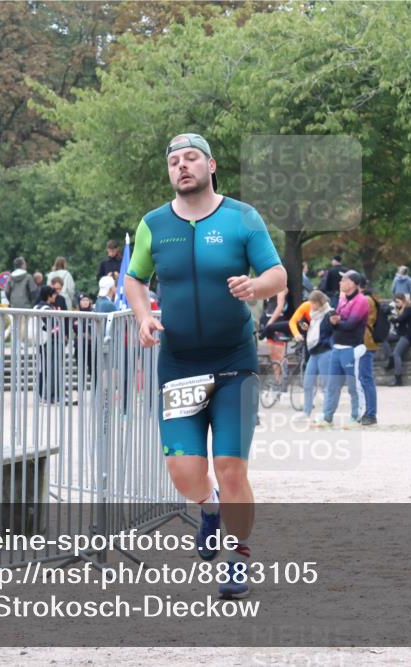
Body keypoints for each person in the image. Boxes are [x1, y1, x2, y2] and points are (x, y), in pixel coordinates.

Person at [124, 132, 286, 600]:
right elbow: (135, 279)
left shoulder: (242, 217)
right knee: (184, 472)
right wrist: (143, 316)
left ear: (211, 165)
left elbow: (277, 274)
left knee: (231, 467)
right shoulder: (154, 223)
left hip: (234, 361)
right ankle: (208, 507)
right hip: (180, 364)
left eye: (191, 157)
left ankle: (238, 559)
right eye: (174, 160)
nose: (182, 166)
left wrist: (255, 287)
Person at [319, 270, 369, 427]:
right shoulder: (342, 300)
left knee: (354, 386)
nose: (340, 283)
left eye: (344, 280)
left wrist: (337, 322)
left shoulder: (361, 301)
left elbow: (351, 324)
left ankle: (356, 417)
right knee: (332, 385)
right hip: (337, 347)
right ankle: (327, 417)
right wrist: (335, 321)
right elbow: (336, 322)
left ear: (353, 283)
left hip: (351, 348)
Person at [288, 290, 333, 420]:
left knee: (326, 384)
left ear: (320, 302)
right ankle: (306, 411)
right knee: (307, 383)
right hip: (314, 352)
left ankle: (327, 414)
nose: (311, 306)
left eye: (314, 303)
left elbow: (331, 331)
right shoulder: (314, 314)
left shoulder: (329, 313)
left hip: (325, 351)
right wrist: (306, 328)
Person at [382, 292, 411, 387]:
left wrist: (392, 318)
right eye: (395, 302)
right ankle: (391, 359)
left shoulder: (409, 309)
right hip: (402, 333)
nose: (397, 304)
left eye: (398, 302)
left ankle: (398, 378)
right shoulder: (401, 309)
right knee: (383, 338)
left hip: (410, 335)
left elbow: (400, 319)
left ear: (403, 301)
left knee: (397, 353)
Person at [32, 285, 64, 404]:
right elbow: (53, 327)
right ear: (49, 295)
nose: (56, 296)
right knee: (51, 368)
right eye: (54, 294)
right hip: (49, 342)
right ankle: (50, 394)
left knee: (42, 368)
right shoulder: (47, 309)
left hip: (40, 342)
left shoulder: (36, 307)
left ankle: (42, 393)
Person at [357, 278, 379, 426]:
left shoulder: (365, 300)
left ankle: (371, 413)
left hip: (365, 342)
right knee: (363, 378)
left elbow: (355, 319)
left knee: (366, 378)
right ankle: (368, 412)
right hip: (363, 342)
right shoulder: (366, 299)